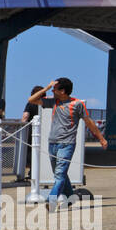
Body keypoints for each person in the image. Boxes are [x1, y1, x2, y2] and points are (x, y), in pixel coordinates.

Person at [35, 77, 108, 208]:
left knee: (60, 174)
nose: (52, 91)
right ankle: (70, 197)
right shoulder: (53, 102)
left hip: (67, 144)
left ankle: (51, 200)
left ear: (62, 91)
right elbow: (32, 100)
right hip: (52, 143)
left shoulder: (77, 104)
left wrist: (101, 138)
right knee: (60, 174)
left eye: (54, 89)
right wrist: (45, 88)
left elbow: (89, 122)